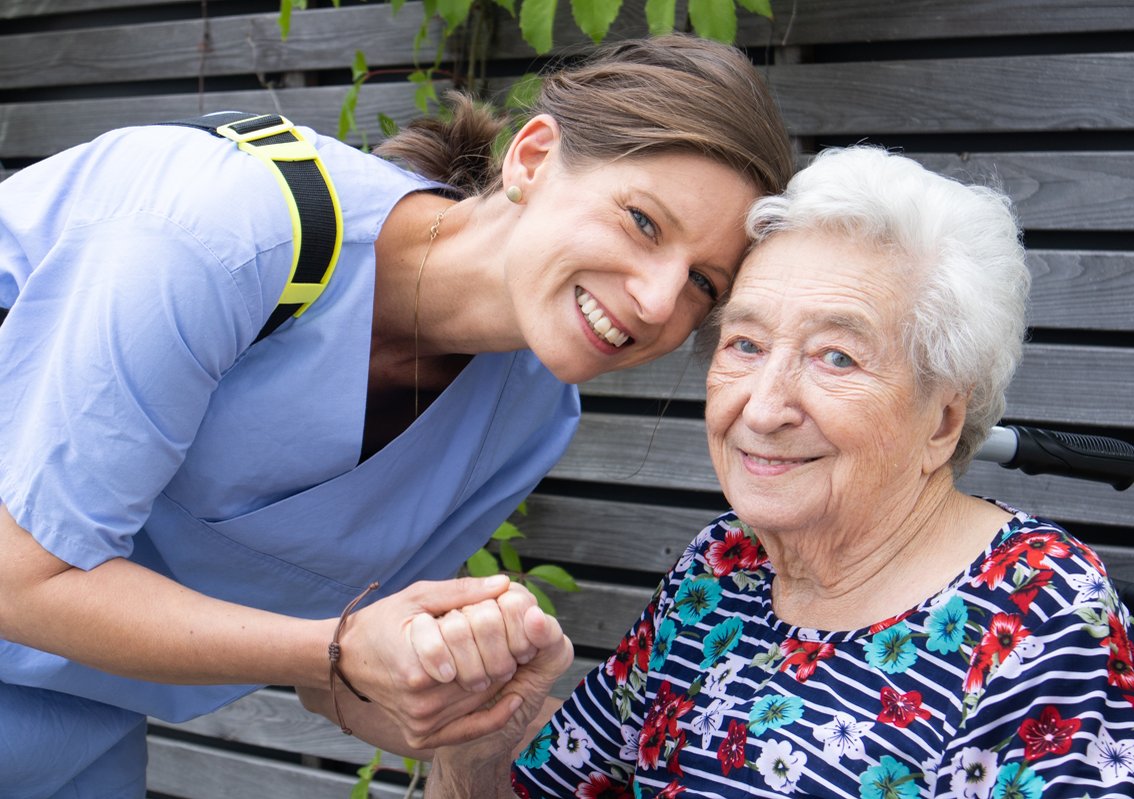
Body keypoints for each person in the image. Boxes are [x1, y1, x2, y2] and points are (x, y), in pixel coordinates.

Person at [0, 35, 794, 798]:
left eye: (702, 284)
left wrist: (468, 682)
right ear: (533, 158)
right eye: (643, 221)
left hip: (64, 730)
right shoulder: (225, 230)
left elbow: (342, 681)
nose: (659, 301)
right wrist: (338, 651)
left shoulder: (529, 413)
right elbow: (22, 578)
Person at [423, 146, 1134, 798]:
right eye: (746, 343)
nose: (762, 407)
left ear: (943, 420)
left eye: (836, 357)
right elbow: (556, 785)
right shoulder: (722, 568)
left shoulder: (1039, 612)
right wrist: (486, 712)